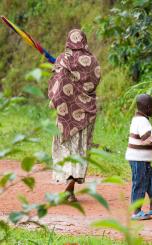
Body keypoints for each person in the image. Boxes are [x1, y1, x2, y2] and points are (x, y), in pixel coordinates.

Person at [48, 29, 101, 202]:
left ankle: (68, 186)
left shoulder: (64, 59)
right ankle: (70, 188)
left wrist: (56, 71)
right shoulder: (93, 61)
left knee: (67, 147)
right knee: (80, 148)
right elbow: (94, 82)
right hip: (86, 113)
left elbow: (58, 83)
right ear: (84, 40)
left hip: (66, 114)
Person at [125, 94, 152, 220]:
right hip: (138, 159)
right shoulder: (142, 121)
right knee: (139, 183)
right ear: (148, 108)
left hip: (142, 159)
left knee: (151, 179)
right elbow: (147, 138)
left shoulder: (139, 119)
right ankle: (136, 211)